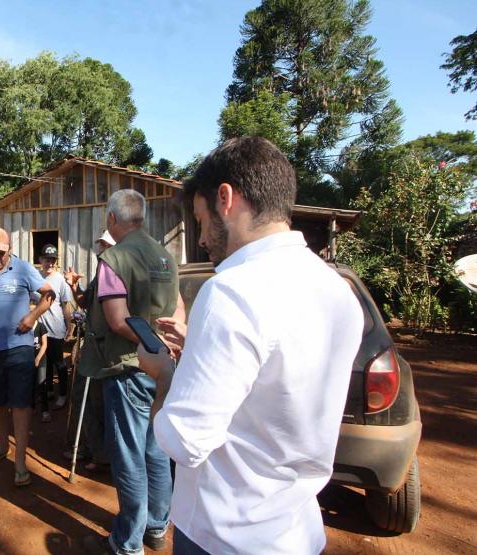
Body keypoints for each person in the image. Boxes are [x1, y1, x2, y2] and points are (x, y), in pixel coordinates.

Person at [139, 137, 364, 555]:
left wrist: (165, 375)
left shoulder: (230, 291)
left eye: (201, 219)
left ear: (226, 198)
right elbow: (274, 379)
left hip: (223, 534)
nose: (203, 238)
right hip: (295, 531)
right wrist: (201, 350)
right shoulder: (337, 290)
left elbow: (185, 442)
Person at [81, 189, 186, 555]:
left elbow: (116, 319)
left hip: (129, 367)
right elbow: (180, 305)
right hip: (164, 369)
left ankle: (128, 541)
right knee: (157, 451)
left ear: (112, 219)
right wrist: (168, 342)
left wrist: (150, 341)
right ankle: (157, 527)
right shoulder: (165, 256)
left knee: (129, 455)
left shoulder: (114, 257)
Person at [0, 227, 55, 487]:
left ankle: (19, 460)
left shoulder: (24, 268)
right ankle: (3, 444)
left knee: (19, 403)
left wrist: (32, 316)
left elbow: (48, 295)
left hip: (20, 346)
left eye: (0, 253)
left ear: (10, 250)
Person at [63, 229, 116, 470]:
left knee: (94, 399)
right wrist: (75, 287)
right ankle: (91, 449)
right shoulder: (100, 273)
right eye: (101, 245)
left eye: (106, 245)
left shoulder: (115, 272)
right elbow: (86, 302)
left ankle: (101, 454)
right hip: (93, 344)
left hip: (103, 347)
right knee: (84, 396)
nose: (101, 249)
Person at [35, 244, 73, 423]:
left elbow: (65, 305)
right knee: (44, 361)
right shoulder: (35, 277)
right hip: (38, 329)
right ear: (40, 260)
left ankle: (63, 393)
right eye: (46, 259)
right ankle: (48, 389)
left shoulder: (60, 280)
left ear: (55, 262)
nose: (49, 263)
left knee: (58, 361)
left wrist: (69, 324)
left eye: (52, 260)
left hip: (56, 327)